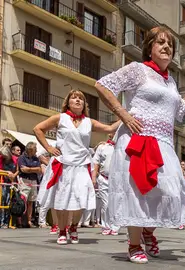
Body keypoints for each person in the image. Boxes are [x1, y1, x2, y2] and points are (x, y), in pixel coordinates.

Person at [95, 26, 185, 264]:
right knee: (137, 191)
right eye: (161, 43)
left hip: (164, 143)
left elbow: (179, 112)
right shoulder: (138, 70)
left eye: (170, 45)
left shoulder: (171, 82)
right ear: (150, 48)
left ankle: (148, 231)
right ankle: (134, 243)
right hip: (138, 139)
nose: (166, 47)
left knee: (167, 191)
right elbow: (102, 85)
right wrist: (123, 114)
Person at [34, 89, 120, 244]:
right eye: (74, 98)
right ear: (68, 102)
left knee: (81, 198)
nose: (78, 100)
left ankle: (73, 227)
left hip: (81, 165)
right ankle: (61, 231)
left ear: (84, 104)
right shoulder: (60, 118)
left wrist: (125, 115)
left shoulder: (89, 122)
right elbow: (38, 129)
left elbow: (110, 129)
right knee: (62, 199)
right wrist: (48, 148)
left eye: (81, 98)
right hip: (63, 164)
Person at [92, 135, 119, 235]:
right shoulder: (102, 147)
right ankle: (106, 225)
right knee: (106, 204)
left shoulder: (122, 146)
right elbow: (96, 162)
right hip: (103, 178)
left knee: (116, 203)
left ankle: (115, 226)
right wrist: (94, 177)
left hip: (117, 179)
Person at [17, 142, 42, 228]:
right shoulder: (21, 158)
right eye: (35, 149)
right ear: (30, 150)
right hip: (24, 180)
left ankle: (29, 221)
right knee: (22, 201)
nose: (37, 150)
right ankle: (20, 221)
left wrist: (29, 169)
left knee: (31, 202)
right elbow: (23, 169)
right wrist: (33, 169)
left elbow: (39, 169)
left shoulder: (36, 158)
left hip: (33, 181)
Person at [0, 145, 18, 228]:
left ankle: (8, 221)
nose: (4, 157)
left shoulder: (14, 159)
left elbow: (18, 170)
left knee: (9, 202)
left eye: (5, 156)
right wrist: (7, 172)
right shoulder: (1, 159)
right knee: (2, 202)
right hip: (3, 183)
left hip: (12, 183)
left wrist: (13, 175)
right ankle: (2, 221)